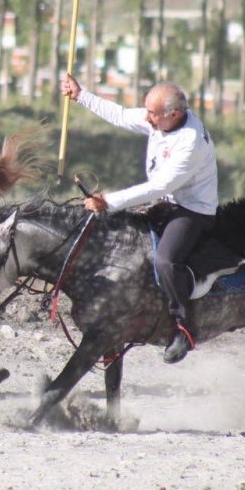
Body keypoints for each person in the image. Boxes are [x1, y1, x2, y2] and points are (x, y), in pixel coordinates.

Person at [61, 73, 218, 364]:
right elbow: (120, 115)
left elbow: (160, 187)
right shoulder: (160, 118)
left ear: (174, 114)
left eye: (152, 113)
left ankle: (183, 328)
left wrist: (108, 201)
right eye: (146, 110)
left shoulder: (190, 142)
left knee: (165, 261)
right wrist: (81, 95)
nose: (146, 118)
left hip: (192, 210)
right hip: (166, 203)